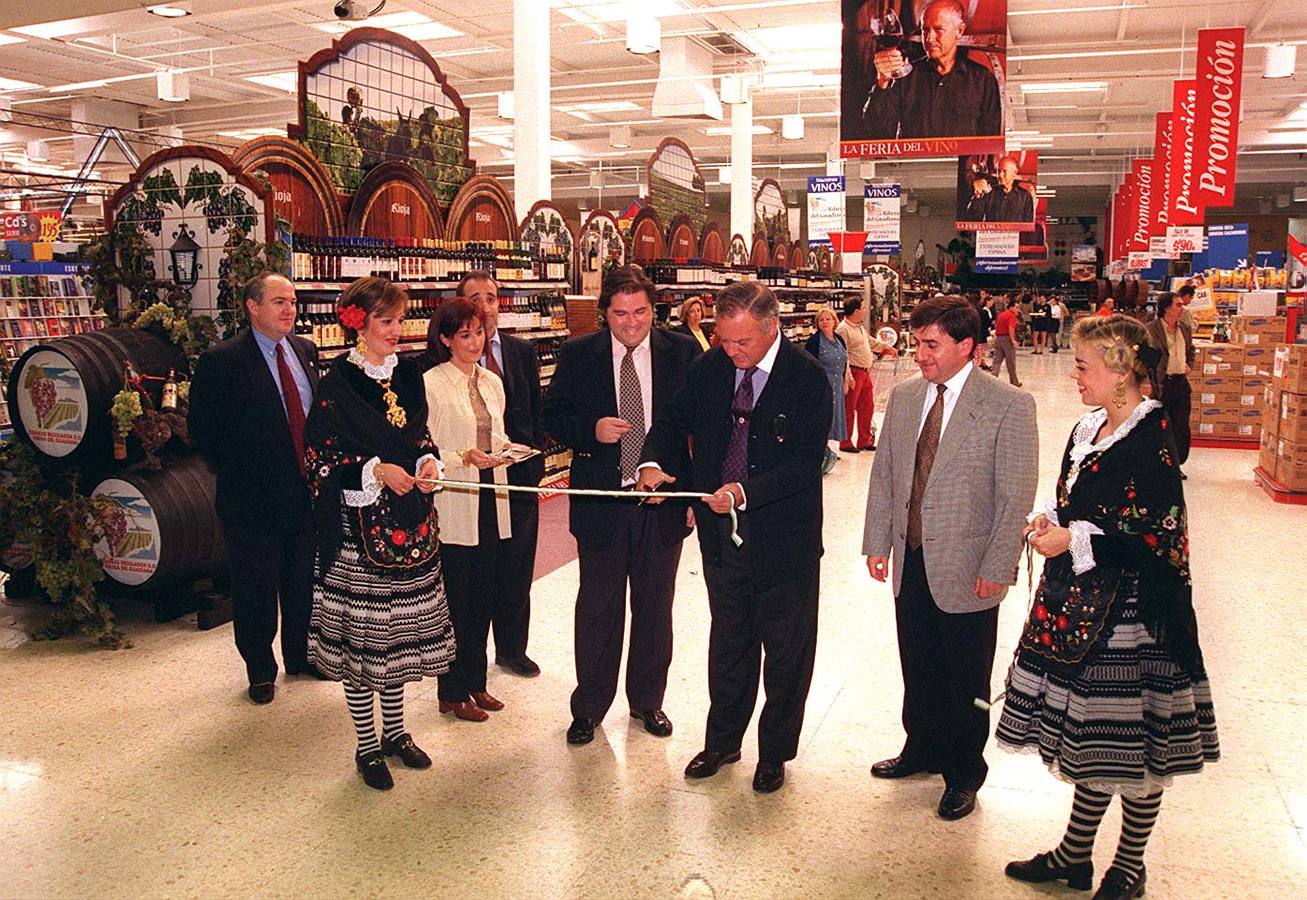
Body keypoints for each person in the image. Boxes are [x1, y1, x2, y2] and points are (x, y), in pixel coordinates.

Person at [998, 315, 1218, 900]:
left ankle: (1129, 865)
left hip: (1136, 618)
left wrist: (1073, 540)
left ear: (1121, 370)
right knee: (1096, 739)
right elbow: (1075, 499)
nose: (1074, 374)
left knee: (1135, 746)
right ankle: (1074, 855)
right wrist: (1052, 519)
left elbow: (1154, 537)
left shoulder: (1152, 441)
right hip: (1083, 609)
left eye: (1082, 364)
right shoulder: (1088, 428)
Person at [637, 281, 832, 795]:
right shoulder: (711, 367)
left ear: (772, 329)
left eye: (742, 342)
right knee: (729, 641)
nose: (731, 351)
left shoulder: (806, 378)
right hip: (720, 538)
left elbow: (807, 463)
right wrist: (656, 464)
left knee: (787, 651)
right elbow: (673, 422)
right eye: (724, 339)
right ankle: (723, 740)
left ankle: (775, 753)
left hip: (784, 540)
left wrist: (744, 492)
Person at [862, 294, 1038, 821]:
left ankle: (964, 771)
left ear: (967, 346)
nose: (919, 353)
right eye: (916, 342)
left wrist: (997, 566)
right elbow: (886, 474)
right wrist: (876, 541)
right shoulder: (908, 396)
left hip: (970, 564)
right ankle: (922, 748)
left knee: (966, 674)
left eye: (931, 344)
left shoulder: (1008, 405)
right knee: (917, 662)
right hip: (911, 556)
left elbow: (1015, 495)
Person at [302, 277, 455, 791]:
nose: (397, 330)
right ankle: (366, 746)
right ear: (357, 323)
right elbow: (320, 458)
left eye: (400, 319)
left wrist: (427, 462)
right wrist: (372, 470)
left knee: (394, 640)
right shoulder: (336, 384)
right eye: (386, 321)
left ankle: (396, 732)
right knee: (364, 643)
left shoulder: (409, 373)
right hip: (359, 531)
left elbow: (420, 436)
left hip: (410, 522)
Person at [542, 266, 700, 747]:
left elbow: (700, 426)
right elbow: (551, 415)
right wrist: (590, 430)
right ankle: (589, 707)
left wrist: (689, 492)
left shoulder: (683, 351)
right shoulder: (578, 354)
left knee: (655, 607)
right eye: (620, 313)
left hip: (661, 500)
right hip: (602, 502)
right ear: (603, 312)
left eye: (640, 312)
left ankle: (648, 701)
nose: (631, 323)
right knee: (598, 608)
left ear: (654, 309)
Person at [189, 271, 321, 704]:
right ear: (252, 306)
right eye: (279, 302)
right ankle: (261, 669)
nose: (289, 310)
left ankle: (300, 656)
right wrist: (241, 470)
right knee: (256, 589)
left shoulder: (305, 350)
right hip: (252, 501)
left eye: (293, 302)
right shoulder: (222, 361)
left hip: (304, 495)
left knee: (302, 582)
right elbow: (202, 431)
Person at [423, 298, 512, 722]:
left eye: (479, 332)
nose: (475, 341)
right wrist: (464, 456)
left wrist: (508, 451)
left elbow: (499, 435)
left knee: (485, 597)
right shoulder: (431, 384)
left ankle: (477, 681)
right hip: (456, 504)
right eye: (464, 335)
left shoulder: (492, 381)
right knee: (456, 601)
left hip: (492, 501)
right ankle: (451, 691)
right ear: (445, 339)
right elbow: (425, 450)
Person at [454, 271, 545, 678]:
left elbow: (534, 412)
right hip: (468, 483)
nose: (485, 306)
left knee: (516, 568)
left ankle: (512, 649)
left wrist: (533, 464)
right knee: (473, 574)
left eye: (491, 297)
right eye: (475, 297)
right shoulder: (440, 362)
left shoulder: (520, 352)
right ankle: (463, 662)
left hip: (517, 480)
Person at [855, 0, 1002, 141]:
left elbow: (990, 139)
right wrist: (882, 81)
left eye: (939, 30)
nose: (930, 38)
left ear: (959, 30)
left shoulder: (983, 80)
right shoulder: (905, 76)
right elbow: (874, 130)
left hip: (958, 166)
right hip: (914, 166)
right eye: (925, 30)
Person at [837, 297, 897, 453]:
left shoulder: (859, 327)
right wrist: (848, 376)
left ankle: (864, 440)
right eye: (863, 308)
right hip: (853, 373)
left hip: (864, 372)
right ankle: (845, 442)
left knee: (867, 407)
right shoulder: (843, 329)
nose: (865, 310)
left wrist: (886, 348)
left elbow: (870, 342)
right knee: (849, 408)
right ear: (856, 311)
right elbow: (842, 355)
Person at [1144, 292, 1195, 472]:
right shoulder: (1151, 329)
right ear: (1166, 308)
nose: (1182, 308)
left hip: (1181, 383)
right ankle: (1157, 462)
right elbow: (1145, 356)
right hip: (1162, 383)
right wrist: (1148, 380)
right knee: (1160, 424)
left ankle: (1176, 464)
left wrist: (1189, 364)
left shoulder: (1185, 329)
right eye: (1178, 305)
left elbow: (1191, 350)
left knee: (1181, 425)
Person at [805, 307, 853, 474]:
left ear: (834, 321)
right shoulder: (814, 341)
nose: (824, 322)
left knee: (834, 416)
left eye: (828, 319)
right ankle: (819, 451)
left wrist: (846, 381)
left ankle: (825, 449)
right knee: (822, 418)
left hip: (837, 385)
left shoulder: (839, 338)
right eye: (821, 320)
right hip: (822, 386)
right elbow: (808, 366)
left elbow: (845, 361)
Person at [989, 156, 1035, 225]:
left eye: (1004, 171)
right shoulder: (990, 193)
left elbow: (1028, 224)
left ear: (1015, 173)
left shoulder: (1025, 196)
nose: (1000, 175)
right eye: (998, 171)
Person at [989, 297, 1022, 387]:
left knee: (996, 361)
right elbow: (1011, 328)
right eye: (1016, 307)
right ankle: (1014, 381)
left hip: (999, 338)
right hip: (1007, 339)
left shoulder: (1001, 315)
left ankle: (992, 379)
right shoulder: (1011, 316)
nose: (1017, 310)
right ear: (1011, 307)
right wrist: (1013, 340)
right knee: (1011, 361)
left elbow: (996, 325)